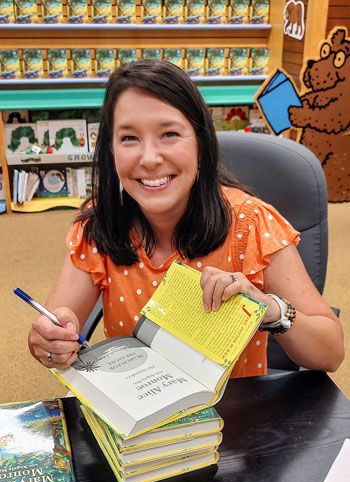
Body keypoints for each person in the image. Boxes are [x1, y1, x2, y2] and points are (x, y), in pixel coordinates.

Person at [28, 59, 344, 376]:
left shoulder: (251, 223)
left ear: (201, 144)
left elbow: (330, 352)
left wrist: (270, 309)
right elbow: (56, 327)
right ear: (111, 151)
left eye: (169, 134)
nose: (150, 158)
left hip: (234, 416)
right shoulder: (98, 226)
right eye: (129, 138)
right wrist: (50, 341)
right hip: (140, 414)